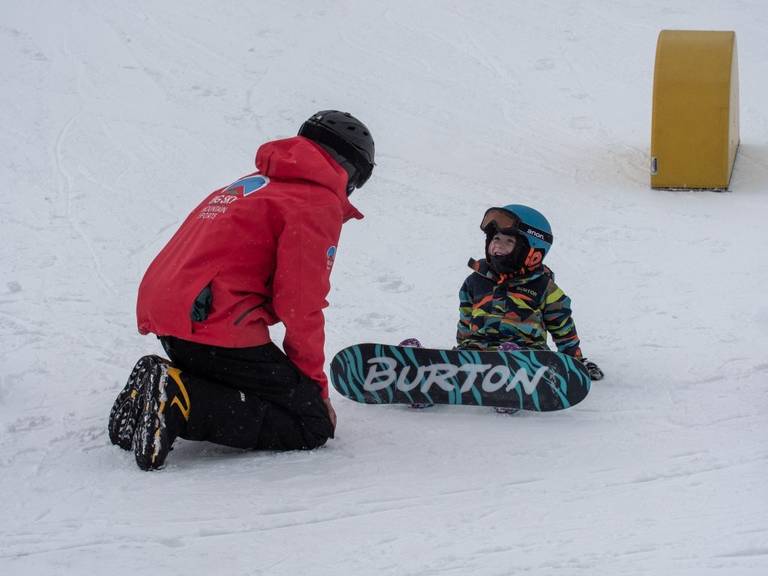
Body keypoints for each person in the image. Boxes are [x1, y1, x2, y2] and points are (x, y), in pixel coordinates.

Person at [108, 110, 375, 470]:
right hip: (212, 325)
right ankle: (179, 401)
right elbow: (300, 304)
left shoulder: (253, 183)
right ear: (351, 169)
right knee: (311, 424)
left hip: (175, 318)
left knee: (260, 384)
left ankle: (157, 387)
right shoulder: (314, 201)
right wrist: (314, 389)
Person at [457, 204, 603, 376]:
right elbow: (465, 320)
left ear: (531, 252)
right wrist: (460, 350)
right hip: (479, 352)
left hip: (527, 356)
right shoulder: (475, 281)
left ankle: (513, 387)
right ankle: (429, 383)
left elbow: (562, 326)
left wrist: (575, 361)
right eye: (496, 239)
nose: (499, 246)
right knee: (463, 358)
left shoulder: (543, 287)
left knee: (518, 360)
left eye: (509, 241)